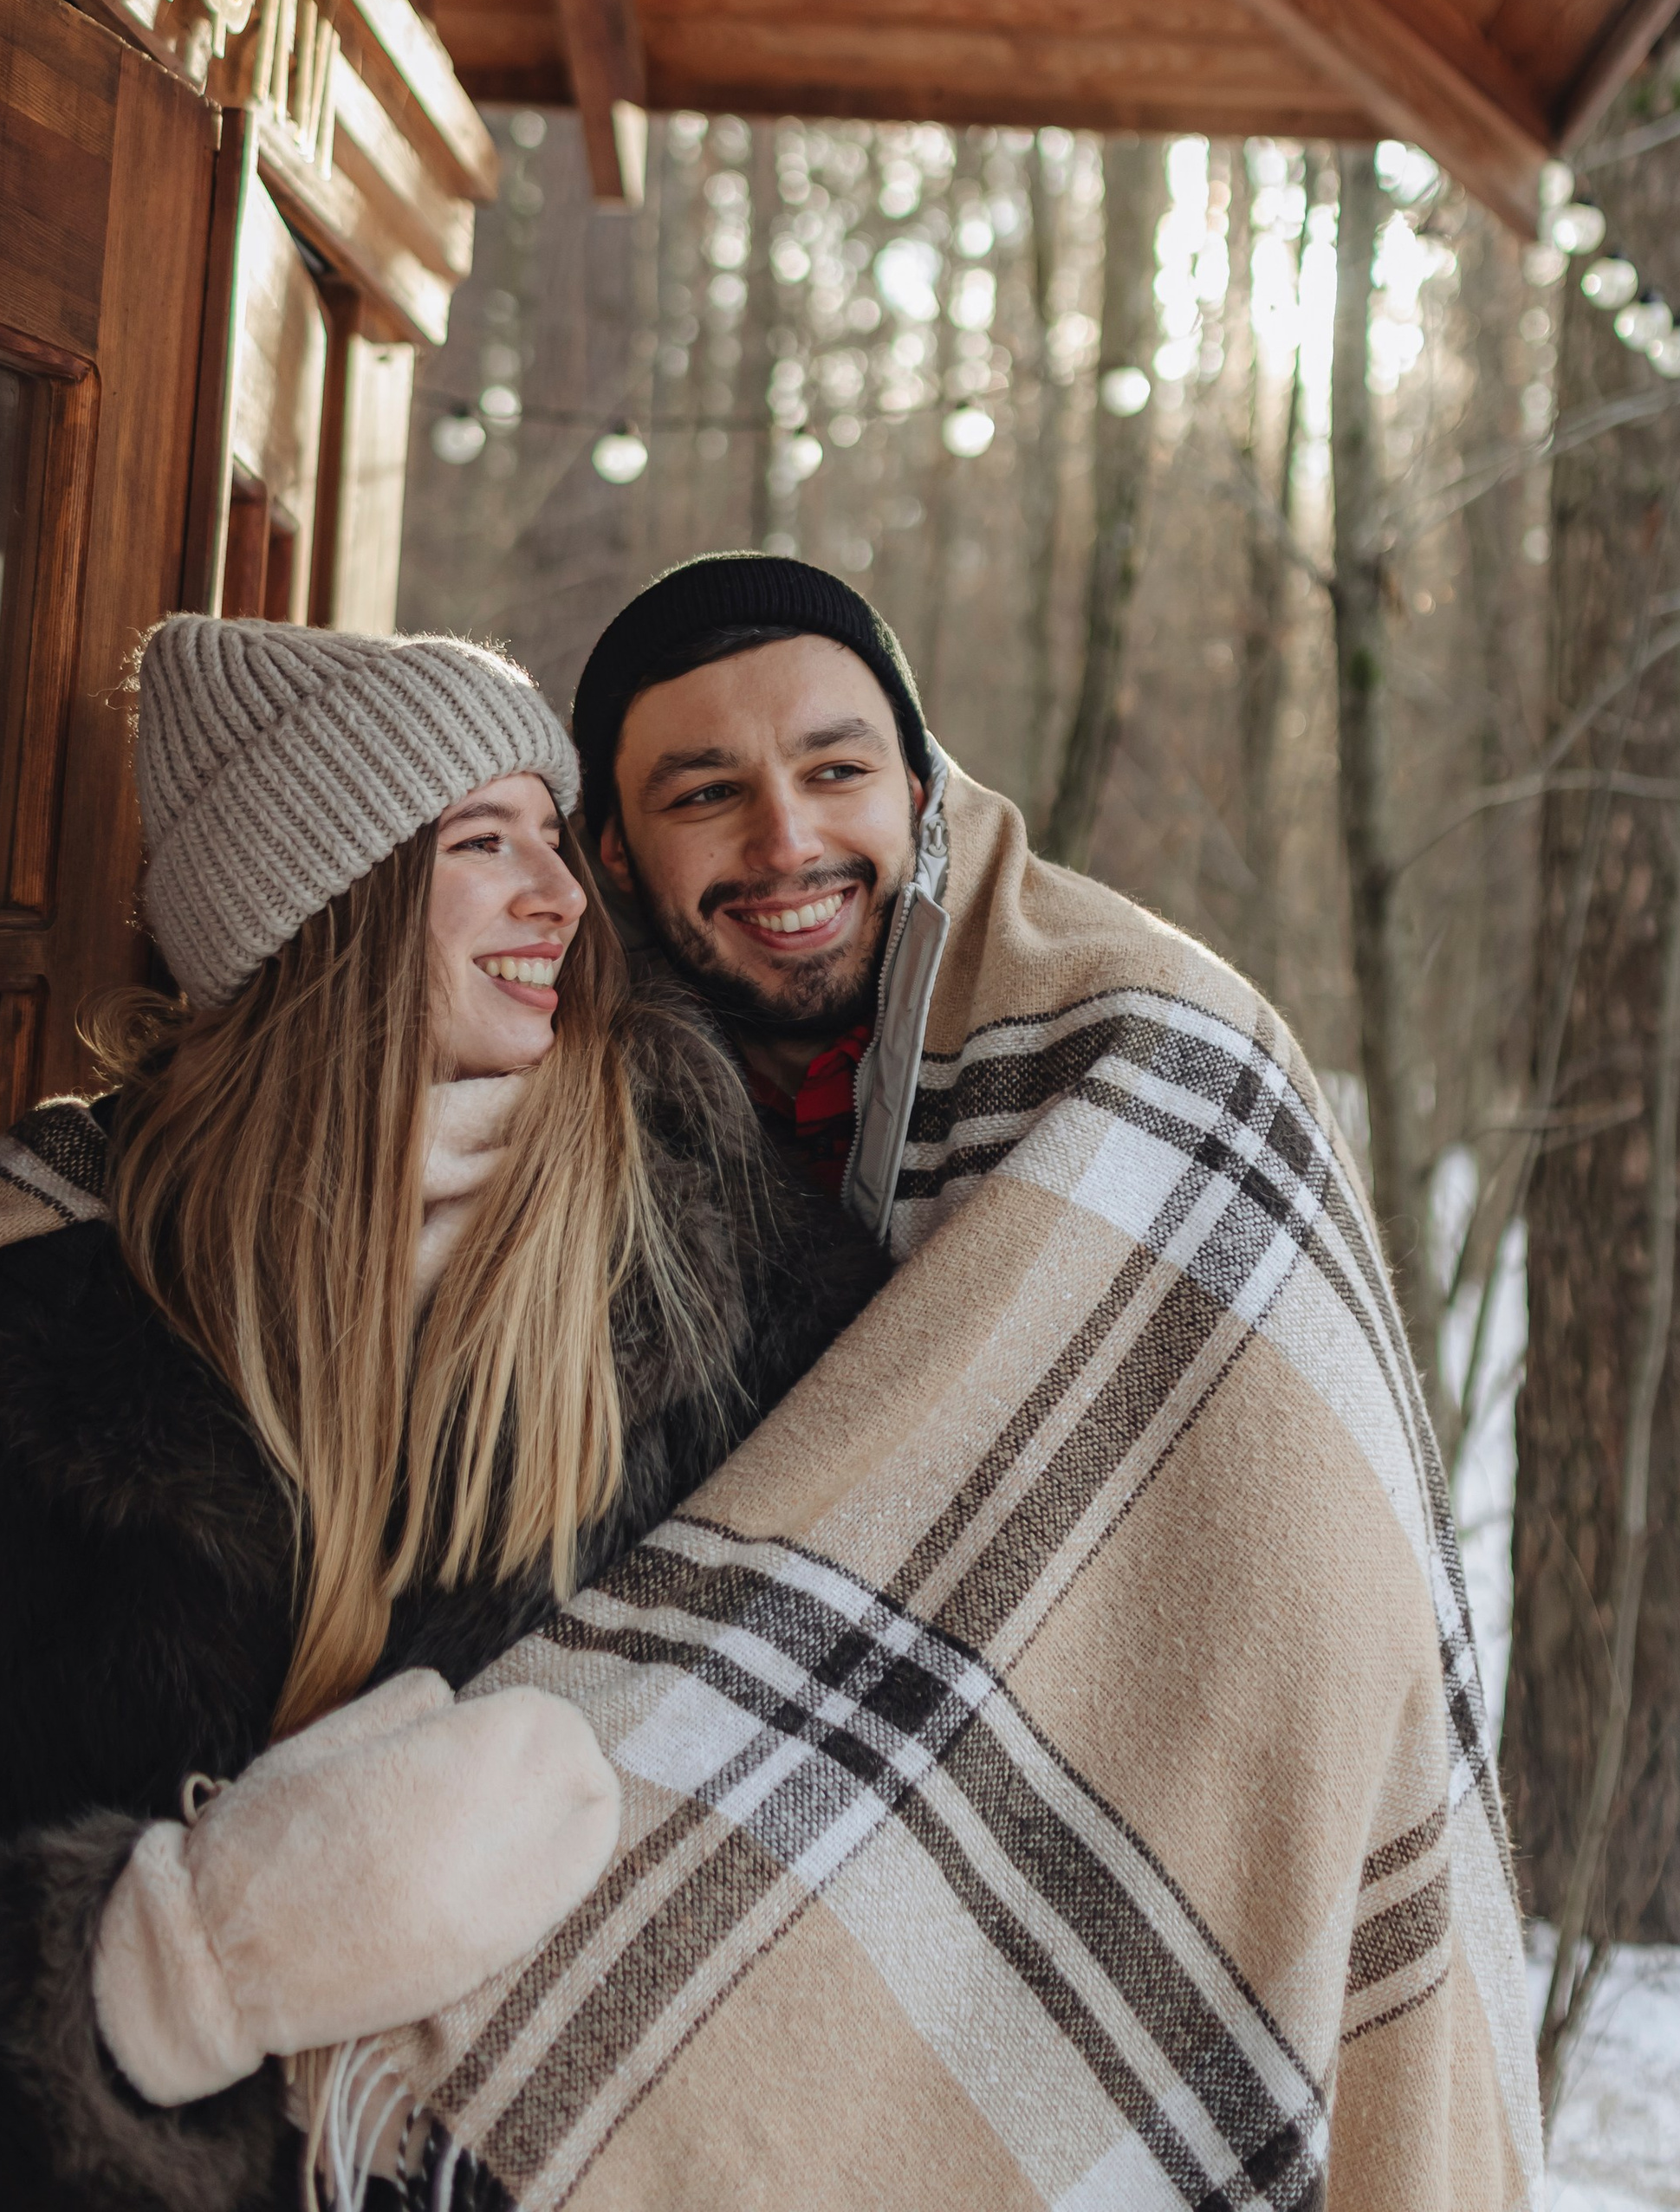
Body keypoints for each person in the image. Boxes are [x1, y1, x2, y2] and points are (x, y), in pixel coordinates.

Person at [307, 555, 1542, 2210]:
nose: (788, 843)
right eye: (706, 794)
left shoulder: (1151, 1043)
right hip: (759, 1863)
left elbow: (1301, 1573)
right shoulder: (589, 1101)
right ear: (611, 850)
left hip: (1180, 1799)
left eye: (836, 772)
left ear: (921, 785)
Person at [0, 616, 885, 2212]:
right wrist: (192, 1963)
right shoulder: (60, 1303)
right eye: (482, 841)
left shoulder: (726, 1249)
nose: (564, 895)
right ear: (328, 906)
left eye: (554, 832)